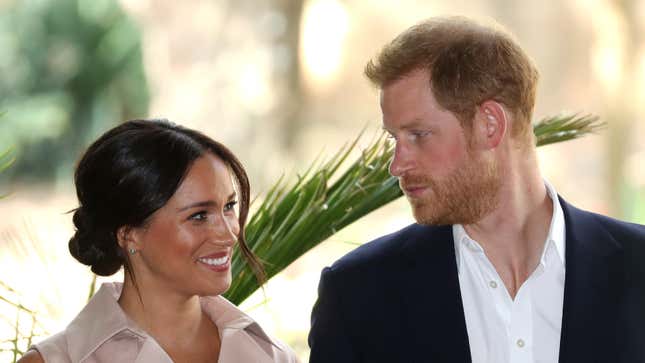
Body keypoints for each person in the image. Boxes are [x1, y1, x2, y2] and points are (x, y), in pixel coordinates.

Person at [308, 16, 645, 363]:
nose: (397, 166)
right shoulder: (357, 295)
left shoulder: (637, 267)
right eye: (396, 139)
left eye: (419, 135)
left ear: (490, 124)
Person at [19, 120, 299, 363]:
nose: (229, 234)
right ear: (130, 233)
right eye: (199, 216)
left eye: (229, 206)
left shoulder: (271, 356)